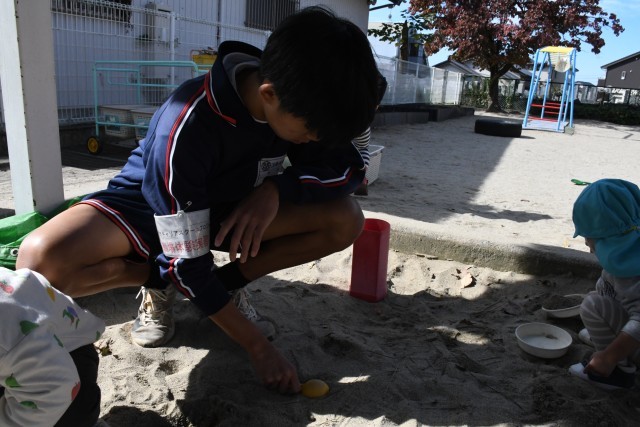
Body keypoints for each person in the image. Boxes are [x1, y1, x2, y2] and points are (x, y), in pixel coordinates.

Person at [16, 6, 382, 394]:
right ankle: (155, 281)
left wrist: (278, 189)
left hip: (226, 212)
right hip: (146, 209)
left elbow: (350, 168)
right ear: (268, 94)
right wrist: (257, 346)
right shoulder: (189, 122)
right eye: (310, 132)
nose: (314, 140)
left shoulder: (303, 99)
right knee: (40, 261)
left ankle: (224, 287)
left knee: (346, 219)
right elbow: (185, 255)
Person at [0, 267, 105, 426]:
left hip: (67, 368)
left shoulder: (8, 336)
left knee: (74, 413)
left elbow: (55, 390)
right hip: (31, 349)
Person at [569, 178, 640, 390]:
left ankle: (618, 373)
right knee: (599, 296)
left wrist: (609, 356)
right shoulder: (631, 250)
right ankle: (612, 342)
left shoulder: (631, 274)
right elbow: (611, 292)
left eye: (589, 238)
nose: (586, 244)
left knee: (592, 305)